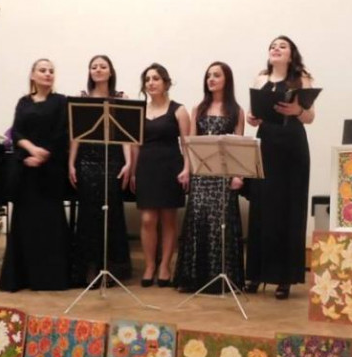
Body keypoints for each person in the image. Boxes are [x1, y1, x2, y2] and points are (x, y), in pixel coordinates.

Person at [245, 36, 316, 300]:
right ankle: (256, 274)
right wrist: (252, 118)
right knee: (262, 207)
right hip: (266, 144)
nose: (276, 48)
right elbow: (253, 116)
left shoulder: (302, 78)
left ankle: (284, 278)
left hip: (292, 146)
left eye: (282, 46)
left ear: (291, 54)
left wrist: (297, 110)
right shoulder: (261, 78)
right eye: (273, 46)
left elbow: (310, 117)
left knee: (289, 208)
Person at [0, 58, 71, 292]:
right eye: (43, 70)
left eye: (51, 70)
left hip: (51, 170)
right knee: (26, 223)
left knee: (49, 223)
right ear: (33, 75)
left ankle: (50, 278)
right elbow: (17, 131)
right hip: (26, 169)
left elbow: (62, 132)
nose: (48, 74)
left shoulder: (61, 101)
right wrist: (32, 150)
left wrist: (44, 154)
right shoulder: (23, 102)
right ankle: (23, 278)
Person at [173, 62, 245, 294]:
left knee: (220, 224)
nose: (211, 79)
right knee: (198, 220)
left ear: (227, 80)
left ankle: (220, 279)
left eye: (216, 75)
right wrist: (186, 169)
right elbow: (190, 143)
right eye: (208, 76)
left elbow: (239, 146)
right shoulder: (199, 108)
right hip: (202, 174)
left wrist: (238, 175)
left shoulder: (237, 111)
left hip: (223, 176)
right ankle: (194, 278)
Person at [68, 55, 133, 286]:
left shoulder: (121, 98)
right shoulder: (82, 98)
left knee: (111, 211)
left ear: (110, 71)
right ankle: (89, 266)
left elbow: (126, 135)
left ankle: (111, 265)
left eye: (102, 66)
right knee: (89, 213)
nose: (98, 70)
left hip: (113, 160)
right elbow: (76, 135)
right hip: (87, 160)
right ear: (90, 72)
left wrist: (128, 163)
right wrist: (71, 163)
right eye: (94, 67)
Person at [131, 63, 190, 287]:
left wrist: (187, 168)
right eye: (147, 79)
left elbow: (187, 144)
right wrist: (133, 172)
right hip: (146, 167)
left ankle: (165, 266)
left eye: (155, 78)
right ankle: (149, 266)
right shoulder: (139, 111)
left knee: (168, 219)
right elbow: (135, 144)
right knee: (148, 219)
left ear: (165, 82)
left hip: (170, 167)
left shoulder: (179, 110)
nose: (151, 83)